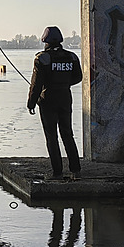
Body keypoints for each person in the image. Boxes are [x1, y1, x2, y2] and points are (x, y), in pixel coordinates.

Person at [27, 26, 83, 180]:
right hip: (66, 98)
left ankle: (57, 173)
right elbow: (78, 77)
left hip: (48, 101)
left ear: (45, 41)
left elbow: (36, 84)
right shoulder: (71, 57)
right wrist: (63, 84)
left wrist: (31, 103)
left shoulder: (42, 59)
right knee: (68, 134)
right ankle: (76, 171)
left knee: (51, 137)